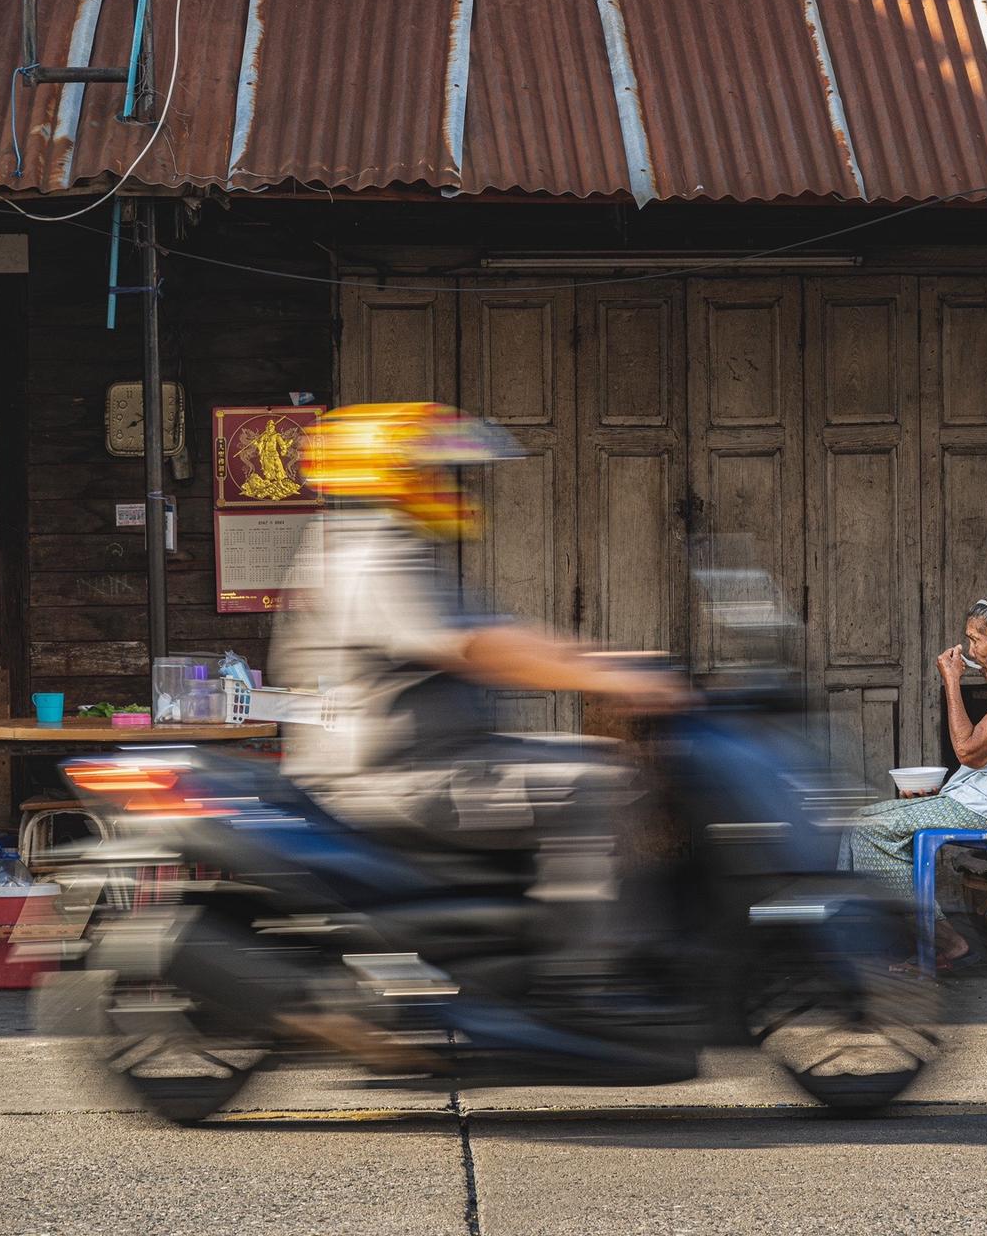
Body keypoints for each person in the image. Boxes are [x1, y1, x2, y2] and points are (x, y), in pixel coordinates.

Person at [270, 401, 686, 1054]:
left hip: (437, 758)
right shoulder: (372, 552)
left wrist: (604, 661)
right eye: (442, 472)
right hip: (395, 775)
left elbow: (497, 635)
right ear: (394, 474)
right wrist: (608, 676)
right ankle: (581, 985)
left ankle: (537, 956)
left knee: (592, 761)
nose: (455, 487)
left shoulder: (392, 546)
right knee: (594, 784)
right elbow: (477, 650)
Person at [839, 591, 987, 970]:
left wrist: (951, 681)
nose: (970, 650)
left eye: (977, 639)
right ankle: (876, 935)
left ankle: (944, 942)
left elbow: (968, 751)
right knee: (861, 821)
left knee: (869, 830)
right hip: (982, 799)